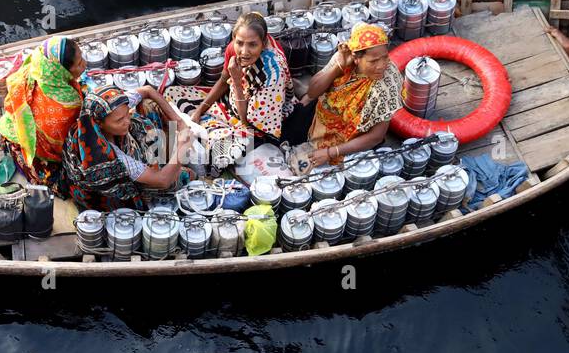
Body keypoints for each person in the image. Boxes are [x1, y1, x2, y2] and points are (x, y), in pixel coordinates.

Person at [164, 11, 295, 166]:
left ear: (264, 41)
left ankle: (211, 133)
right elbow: (224, 80)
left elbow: (248, 122)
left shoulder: (272, 75)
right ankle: (207, 126)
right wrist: (199, 111)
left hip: (258, 123)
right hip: (229, 103)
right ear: (234, 39)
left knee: (220, 153)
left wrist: (238, 82)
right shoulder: (234, 49)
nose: (244, 52)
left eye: (252, 44)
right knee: (170, 92)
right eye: (240, 43)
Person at [283, 22, 402, 168]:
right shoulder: (344, 58)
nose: (382, 65)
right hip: (320, 119)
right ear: (356, 58)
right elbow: (313, 92)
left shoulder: (387, 84)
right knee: (287, 133)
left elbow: (375, 137)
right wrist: (338, 67)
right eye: (373, 61)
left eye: (385, 57)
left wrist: (331, 152)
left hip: (350, 140)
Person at [59, 84, 192, 211]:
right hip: (103, 196)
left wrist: (179, 121)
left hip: (120, 143)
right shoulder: (109, 157)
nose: (127, 121)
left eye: (127, 113)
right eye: (119, 120)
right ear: (99, 123)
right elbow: (163, 181)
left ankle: (163, 161)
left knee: (149, 105)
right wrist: (181, 148)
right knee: (183, 176)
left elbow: (147, 90)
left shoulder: (107, 109)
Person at [0, 36, 86, 186]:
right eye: (79, 64)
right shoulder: (67, 104)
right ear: (61, 70)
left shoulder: (36, 65)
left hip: (15, 126)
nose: (84, 64)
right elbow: (61, 146)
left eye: (82, 57)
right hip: (39, 149)